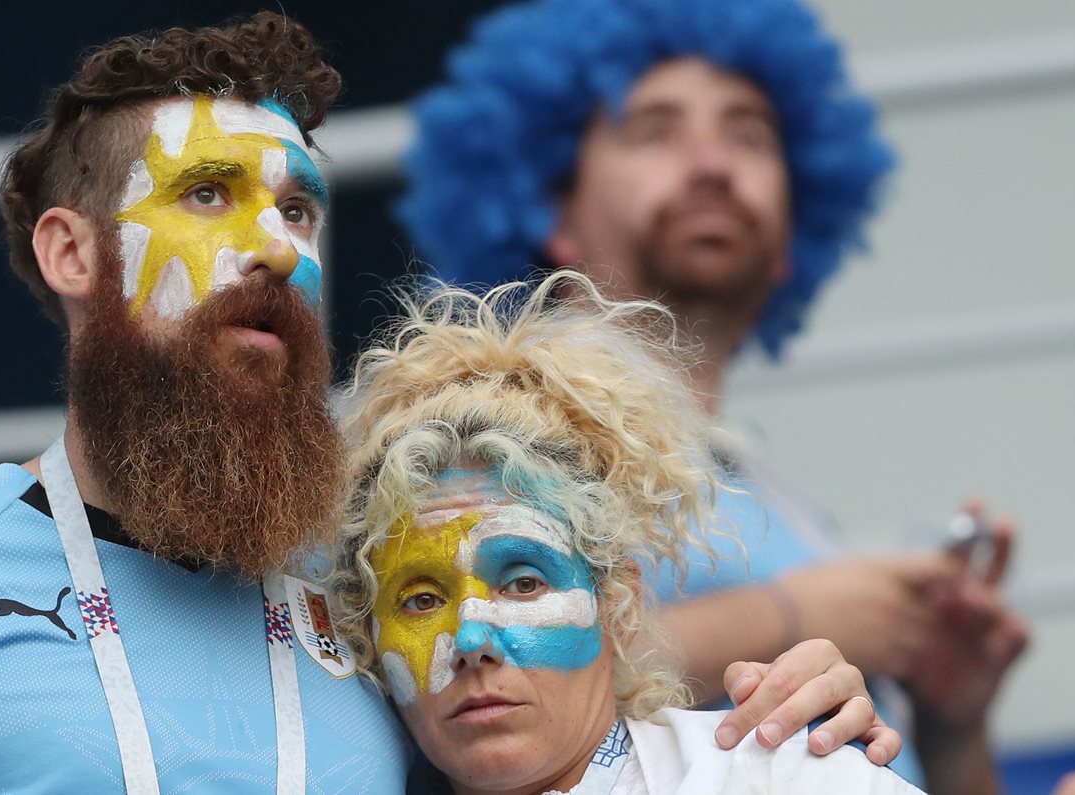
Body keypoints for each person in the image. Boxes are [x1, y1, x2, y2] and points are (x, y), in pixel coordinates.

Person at [0, 11, 900, 793]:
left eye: (298, 210)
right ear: (69, 250)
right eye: (208, 193)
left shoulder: (376, 592)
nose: (276, 247)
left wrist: (804, 729)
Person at [399, 0, 1029, 790]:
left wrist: (948, 719)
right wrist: (796, 616)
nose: (712, 164)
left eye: (750, 136)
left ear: (791, 244)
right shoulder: (474, 434)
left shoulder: (784, 500)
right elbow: (463, 661)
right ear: (548, 209)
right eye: (655, 130)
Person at [332, 271, 922, 793]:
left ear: (618, 604)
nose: (471, 639)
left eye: (524, 582)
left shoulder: (776, 778)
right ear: (371, 646)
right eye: (422, 599)